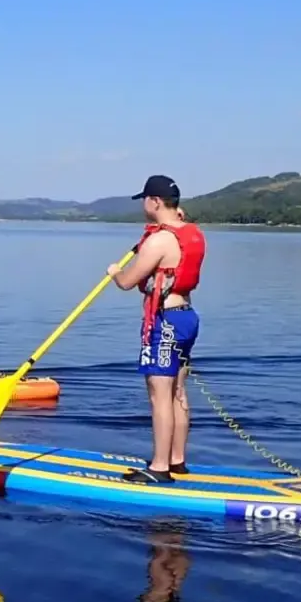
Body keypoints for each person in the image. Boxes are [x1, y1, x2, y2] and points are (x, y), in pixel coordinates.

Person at [108, 174, 205, 478]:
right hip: (187, 317)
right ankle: (177, 460)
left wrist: (114, 272)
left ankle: (160, 467)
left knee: (159, 393)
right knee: (178, 391)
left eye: (145, 201)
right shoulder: (192, 232)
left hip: (165, 322)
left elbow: (127, 282)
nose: (143, 206)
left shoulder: (159, 240)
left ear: (154, 202)